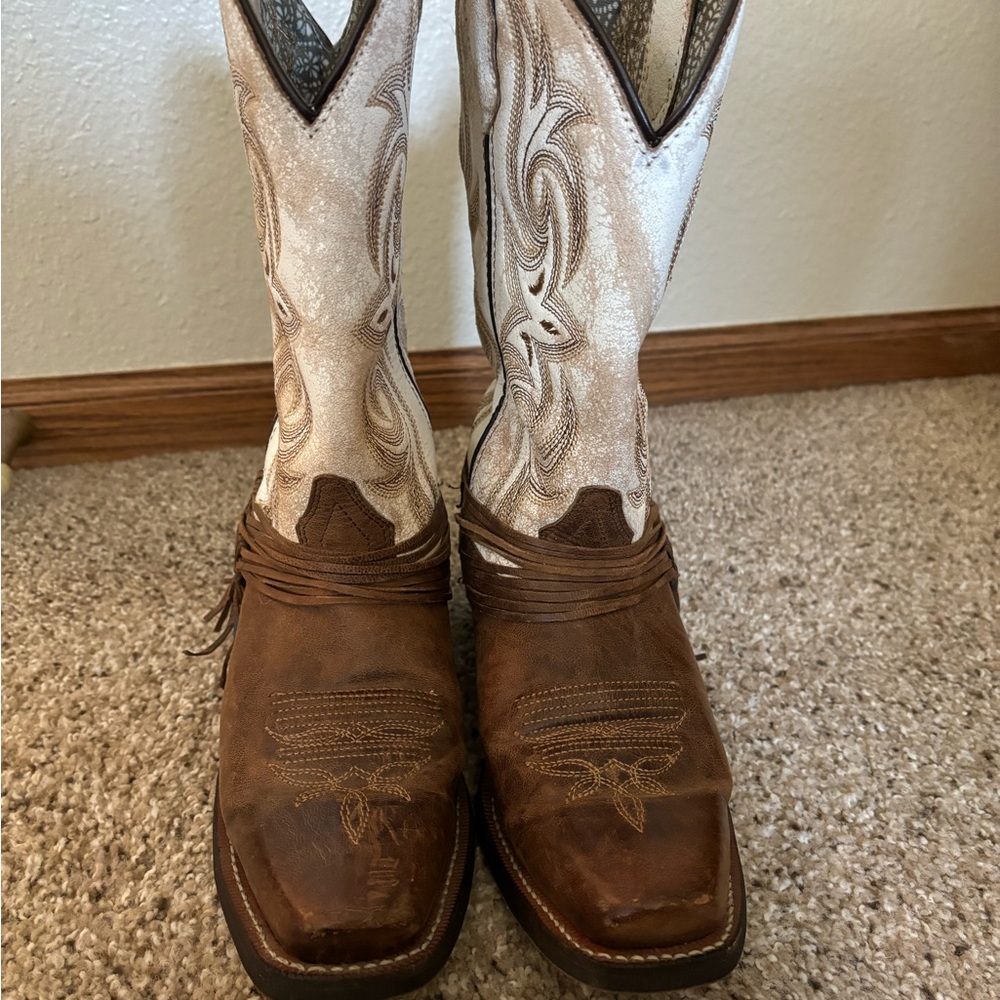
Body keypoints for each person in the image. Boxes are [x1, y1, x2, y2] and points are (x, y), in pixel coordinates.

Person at [200, 0, 746, 995]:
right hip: (334, 507)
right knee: (330, 338)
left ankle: (543, 499)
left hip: (582, 519)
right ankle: (355, 482)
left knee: (590, 350)